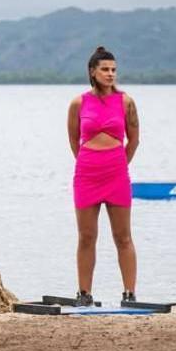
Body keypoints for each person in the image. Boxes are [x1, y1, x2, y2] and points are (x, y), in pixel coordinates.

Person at [67, 46, 139, 306]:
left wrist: (118, 162)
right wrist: (90, 162)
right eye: (105, 69)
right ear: (92, 72)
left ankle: (129, 294)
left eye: (114, 70)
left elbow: (134, 139)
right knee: (86, 236)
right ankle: (84, 294)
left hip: (117, 173)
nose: (111, 74)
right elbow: (74, 140)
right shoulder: (78, 103)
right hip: (86, 174)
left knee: (123, 236)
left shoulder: (126, 102)